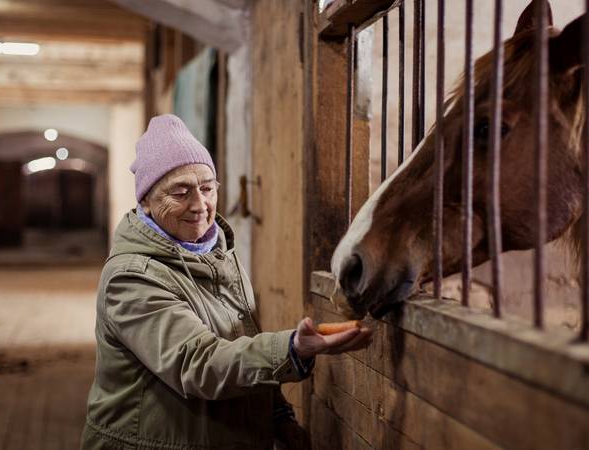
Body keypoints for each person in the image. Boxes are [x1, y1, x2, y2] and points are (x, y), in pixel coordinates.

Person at [81, 114, 372, 450]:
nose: (200, 205)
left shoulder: (218, 256)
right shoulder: (131, 277)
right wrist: (291, 349)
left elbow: (241, 340)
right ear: (146, 200)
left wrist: (279, 418)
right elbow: (197, 363)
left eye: (207, 188)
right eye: (180, 192)